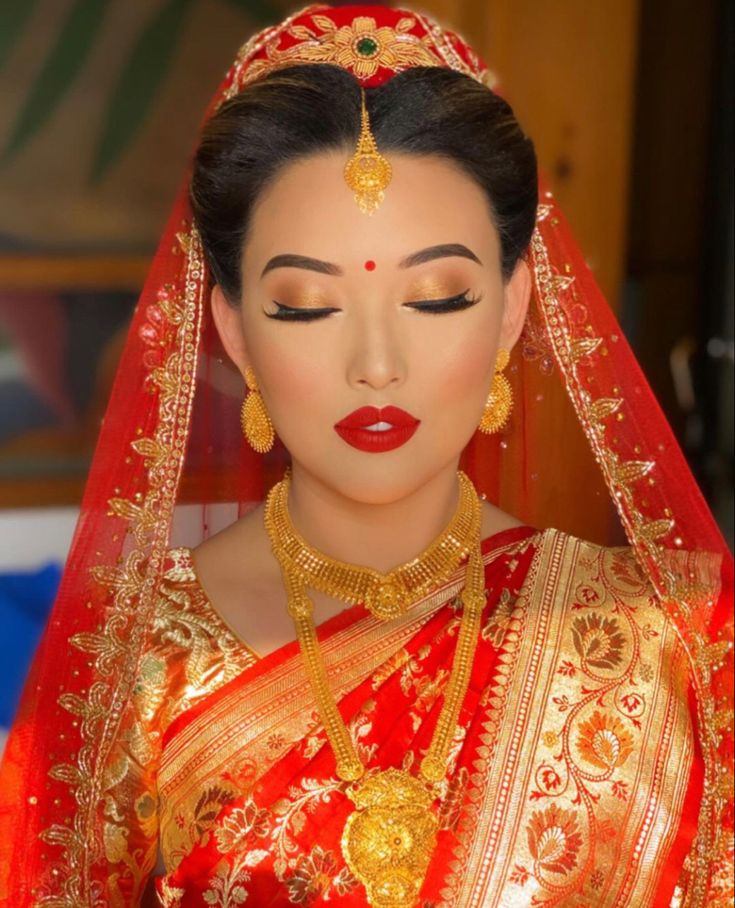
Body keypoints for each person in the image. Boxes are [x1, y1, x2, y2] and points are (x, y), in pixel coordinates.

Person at [0, 5, 732, 906]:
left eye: (436, 299)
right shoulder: (127, 665)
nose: (376, 366)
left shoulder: (656, 641)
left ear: (510, 310)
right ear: (233, 330)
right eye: (307, 306)